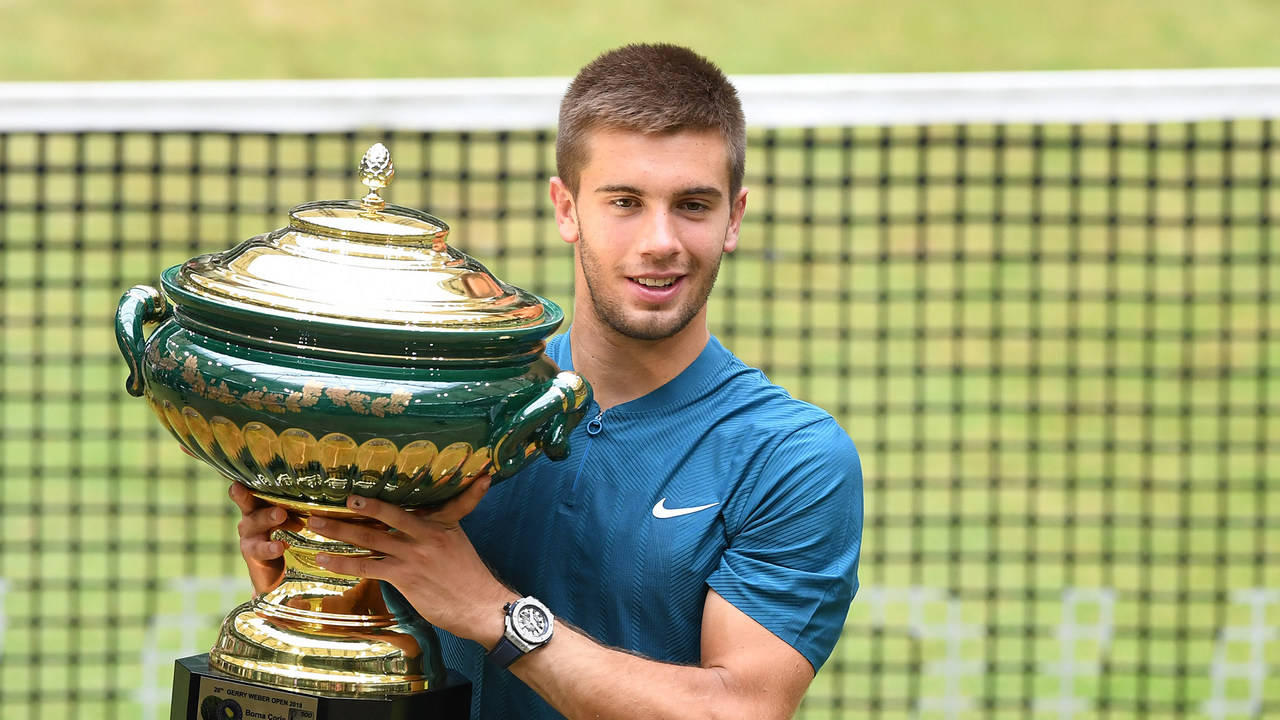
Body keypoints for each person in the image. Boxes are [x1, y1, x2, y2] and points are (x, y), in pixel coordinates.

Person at [230, 43, 862, 719]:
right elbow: (380, 653)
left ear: (733, 217)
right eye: (624, 201)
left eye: (693, 205)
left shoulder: (790, 457)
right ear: (567, 208)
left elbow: (740, 710)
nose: (660, 241)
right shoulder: (450, 411)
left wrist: (495, 615)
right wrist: (308, 576)